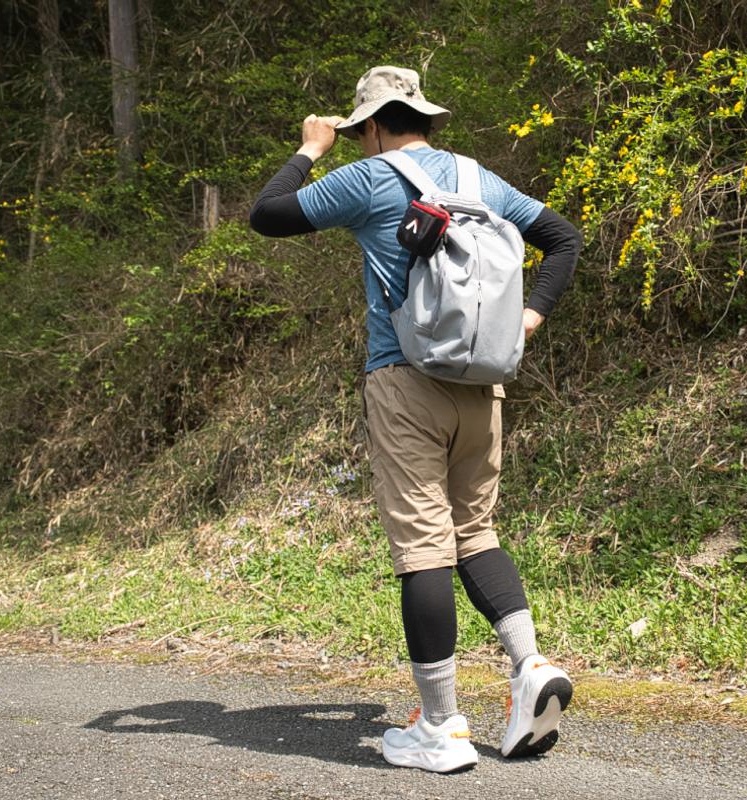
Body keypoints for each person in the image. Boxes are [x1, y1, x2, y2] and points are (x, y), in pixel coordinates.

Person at [249, 65, 581, 774]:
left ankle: (440, 727)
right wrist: (528, 319)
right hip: (484, 383)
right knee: (475, 532)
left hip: (406, 380)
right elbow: (562, 237)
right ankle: (528, 667)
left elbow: (268, 212)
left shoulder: (370, 178)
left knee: (424, 547)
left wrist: (310, 148)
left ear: (370, 124)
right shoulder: (478, 178)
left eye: (357, 130)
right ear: (424, 116)